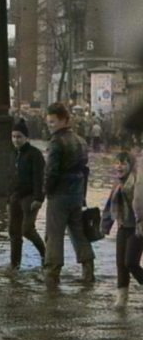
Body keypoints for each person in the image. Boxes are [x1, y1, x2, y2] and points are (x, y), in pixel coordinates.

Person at [42, 102, 94, 285]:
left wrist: (45, 191)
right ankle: (88, 271)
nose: (50, 126)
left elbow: (51, 172)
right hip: (77, 194)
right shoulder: (81, 140)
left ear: (64, 120)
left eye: (53, 122)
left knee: (54, 235)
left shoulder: (56, 142)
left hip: (59, 194)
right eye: (48, 122)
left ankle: (52, 273)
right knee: (79, 233)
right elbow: (85, 169)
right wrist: (82, 195)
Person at [104, 152, 143, 308]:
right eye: (117, 163)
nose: (119, 166)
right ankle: (121, 300)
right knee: (121, 265)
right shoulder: (117, 183)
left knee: (131, 262)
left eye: (124, 163)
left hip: (138, 228)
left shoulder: (138, 182)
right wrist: (105, 226)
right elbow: (109, 206)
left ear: (131, 165)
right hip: (122, 227)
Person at [8, 118, 46, 271]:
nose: (16, 140)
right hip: (15, 196)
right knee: (13, 231)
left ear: (26, 137)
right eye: (13, 137)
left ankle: (45, 255)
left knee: (27, 229)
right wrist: (9, 196)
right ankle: (14, 265)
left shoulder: (34, 154)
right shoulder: (14, 154)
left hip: (30, 197)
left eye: (19, 137)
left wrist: (38, 198)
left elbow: (39, 177)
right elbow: (10, 176)